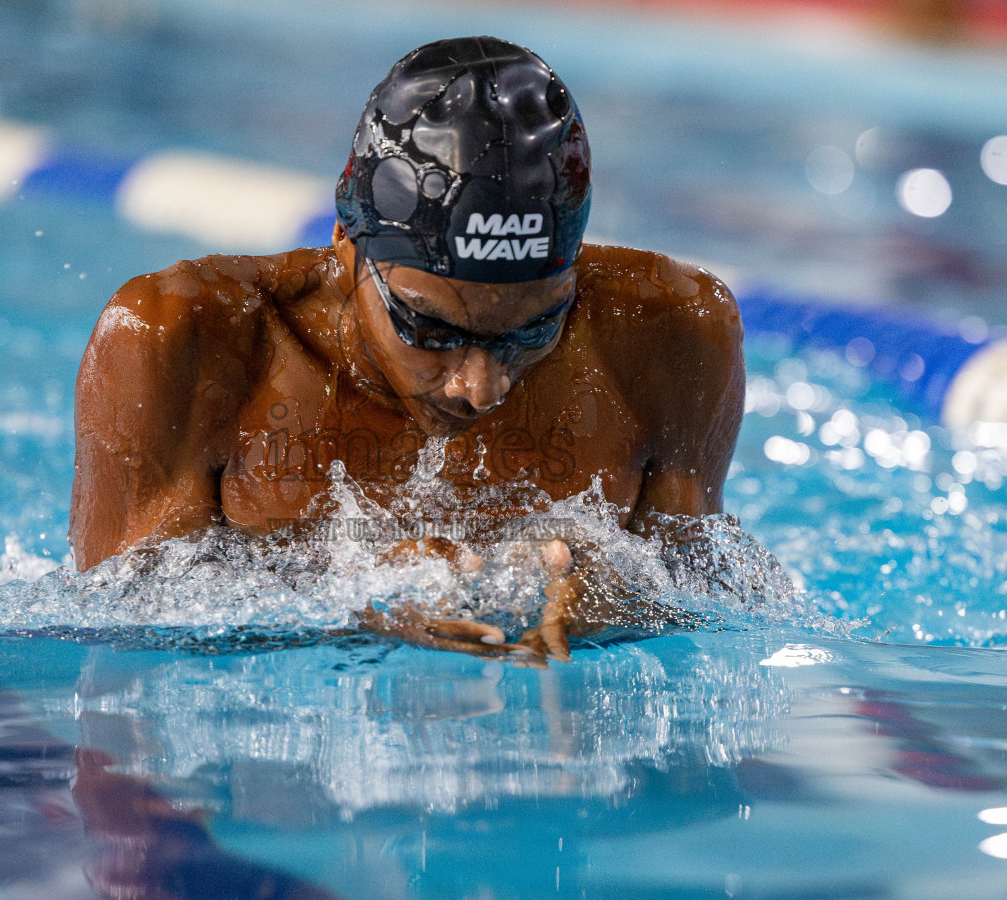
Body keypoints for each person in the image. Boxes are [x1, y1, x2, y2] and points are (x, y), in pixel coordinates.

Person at [70, 36, 746, 663]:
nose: (481, 387)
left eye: (534, 329)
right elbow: (118, 638)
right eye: (430, 329)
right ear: (345, 241)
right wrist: (352, 606)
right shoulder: (185, 341)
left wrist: (621, 595)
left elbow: (711, 595)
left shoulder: (671, 335)